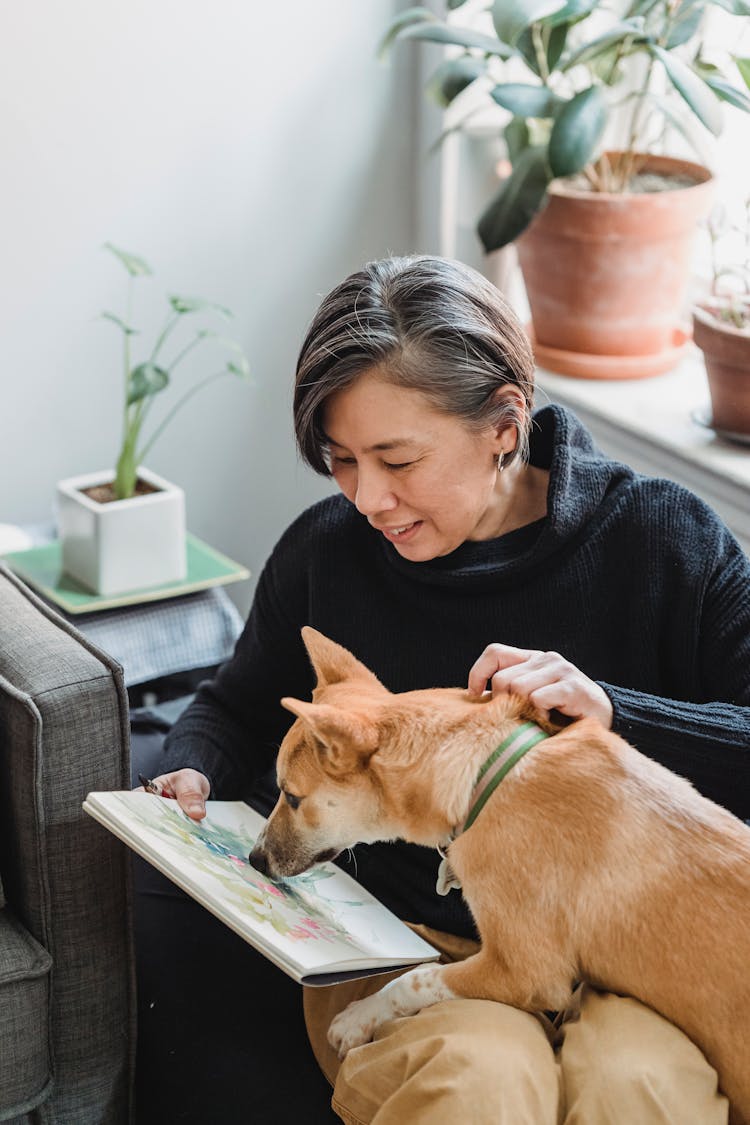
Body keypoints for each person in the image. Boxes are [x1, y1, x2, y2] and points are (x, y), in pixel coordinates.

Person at [133, 254, 750, 1125]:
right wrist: (191, 771)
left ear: (504, 423)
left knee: (643, 1086)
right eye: (342, 459)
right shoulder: (328, 551)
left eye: (397, 458)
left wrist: (619, 711)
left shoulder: (659, 539)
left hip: (626, 953)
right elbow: (233, 702)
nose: (369, 497)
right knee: (480, 1087)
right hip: (398, 935)